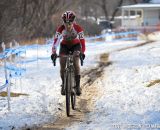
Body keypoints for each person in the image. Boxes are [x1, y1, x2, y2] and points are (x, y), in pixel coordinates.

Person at [51, 11, 86, 96]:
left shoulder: (78, 28)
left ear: (73, 22)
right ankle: (64, 84)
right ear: (63, 23)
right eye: (66, 23)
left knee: (75, 61)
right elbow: (56, 42)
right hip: (64, 46)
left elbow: (82, 42)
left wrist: (82, 52)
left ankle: (77, 86)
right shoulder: (60, 29)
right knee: (62, 64)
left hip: (76, 45)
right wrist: (54, 52)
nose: (68, 25)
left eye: (70, 23)